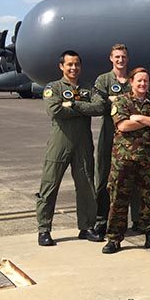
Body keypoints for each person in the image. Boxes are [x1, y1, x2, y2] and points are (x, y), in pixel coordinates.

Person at [36, 50, 105, 246]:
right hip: (60, 142)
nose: (73, 68)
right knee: (49, 185)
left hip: (83, 143)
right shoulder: (53, 87)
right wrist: (82, 108)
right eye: (69, 64)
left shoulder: (87, 88)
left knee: (86, 186)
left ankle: (86, 227)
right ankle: (44, 229)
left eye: (76, 64)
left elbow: (99, 108)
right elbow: (54, 110)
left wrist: (73, 105)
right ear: (62, 66)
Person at [102, 67, 150, 254]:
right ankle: (114, 238)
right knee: (119, 199)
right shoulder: (122, 101)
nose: (142, 84)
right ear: (131, 82)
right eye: (139, 81)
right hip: (124, 159)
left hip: (149, 159)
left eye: (145, 81)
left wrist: (139, 118)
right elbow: (123, 125)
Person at [93, 43, 131, 236]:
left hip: (131, 137)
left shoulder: (133, 80)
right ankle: (101, 220)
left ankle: (135, 221)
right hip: (109, 134)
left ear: (127, 58)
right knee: (103, 178)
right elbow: (99, 104)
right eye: (117, 57)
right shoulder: (103, 80)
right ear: (111, 58)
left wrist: (114, 100)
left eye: (123, 56)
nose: (120, 60)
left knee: (130, 180)